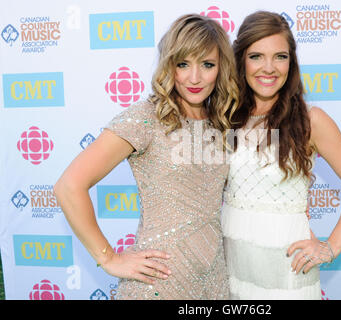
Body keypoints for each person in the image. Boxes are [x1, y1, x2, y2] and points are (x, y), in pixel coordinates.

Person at [54, 14, 239, 300]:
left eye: (207, 64)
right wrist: (109, 258)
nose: (194, 77)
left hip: (214, 284)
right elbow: (68, 187)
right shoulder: (147, 118)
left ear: (221, 68)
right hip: (158, 284)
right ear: (169, 65)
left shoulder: (222, 124)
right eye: (183, 64)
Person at [221, 11, 341, 300]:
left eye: (280, 56)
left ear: (291, 62)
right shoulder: (226, 117)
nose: (269, 68)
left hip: (287, 271)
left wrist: (331, 246)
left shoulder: (311, 121)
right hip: (232, 269)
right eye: (256, 56)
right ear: (240, 60)